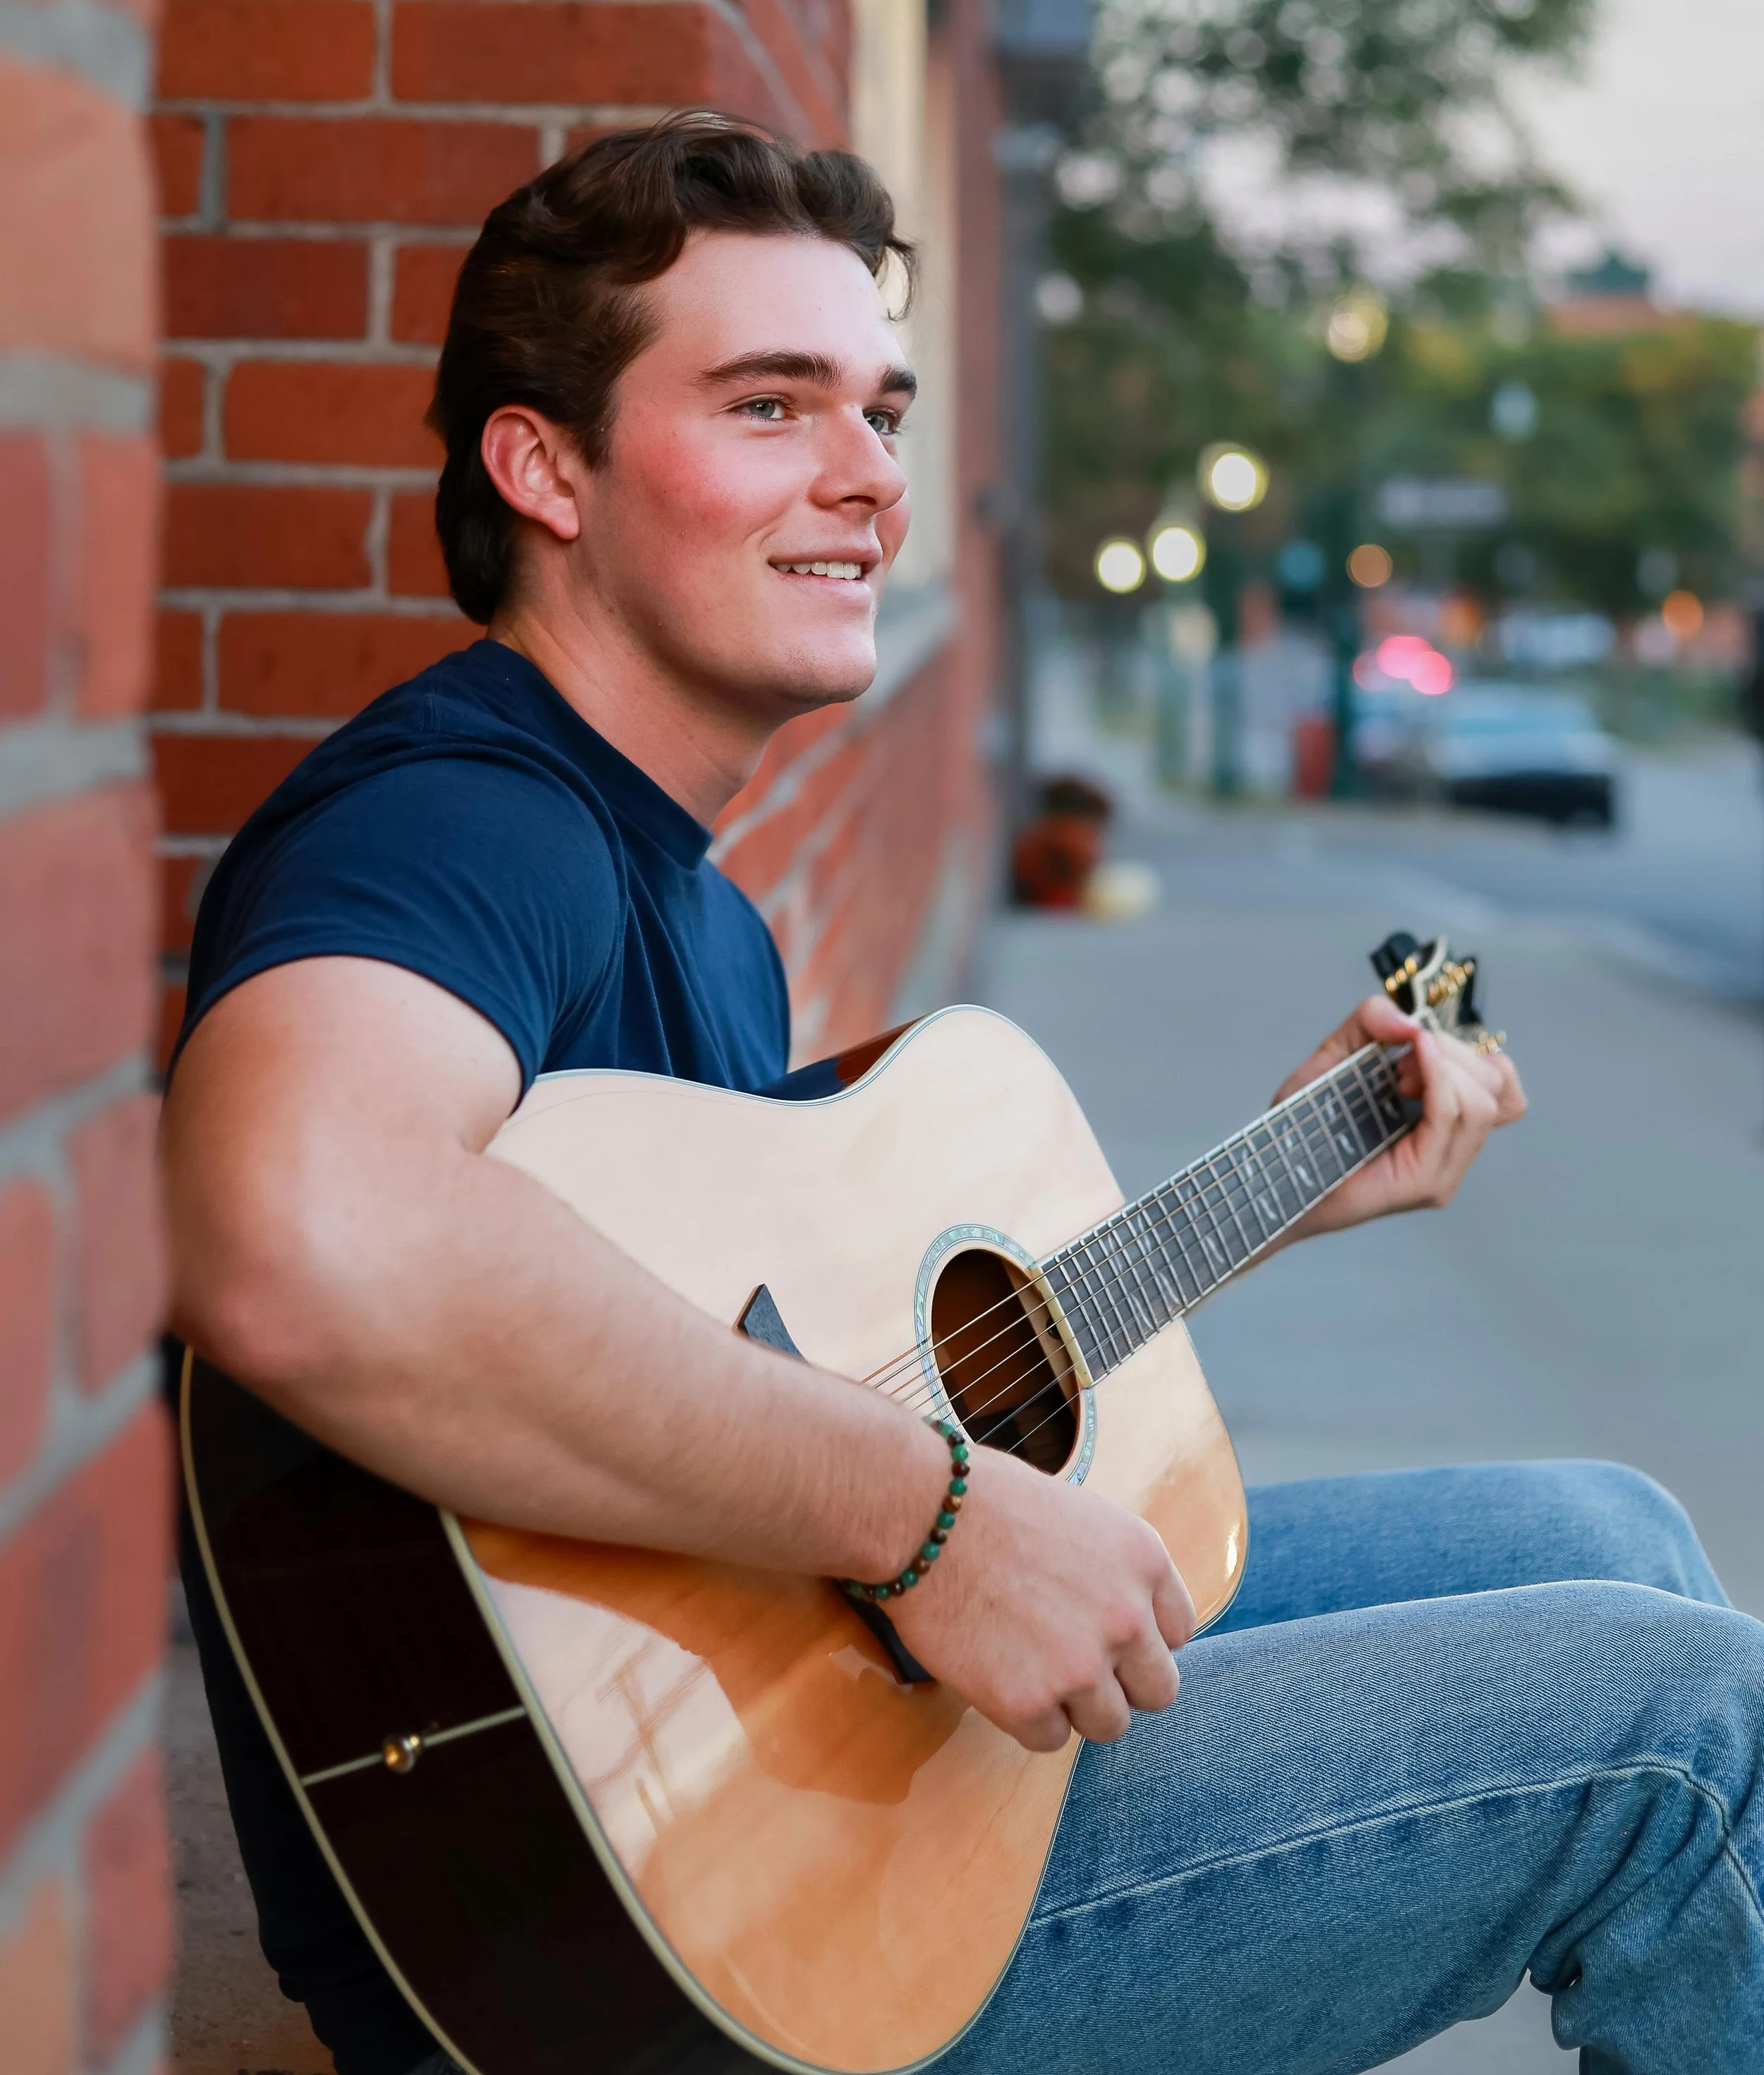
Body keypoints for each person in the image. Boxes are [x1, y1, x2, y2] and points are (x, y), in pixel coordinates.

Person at [162, 114, 1764, 2075]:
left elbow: (784, 1360)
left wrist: (1286, 1186)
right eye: (770, 407)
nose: (865, 482)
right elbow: (302, 1232)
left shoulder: (699, 909)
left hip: (795, 1778)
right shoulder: (466, 823)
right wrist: (927, 1523)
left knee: (1602, 1533)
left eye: (883, 412)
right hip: (650, 1944)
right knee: (1688, 1731)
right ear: (542, 466)